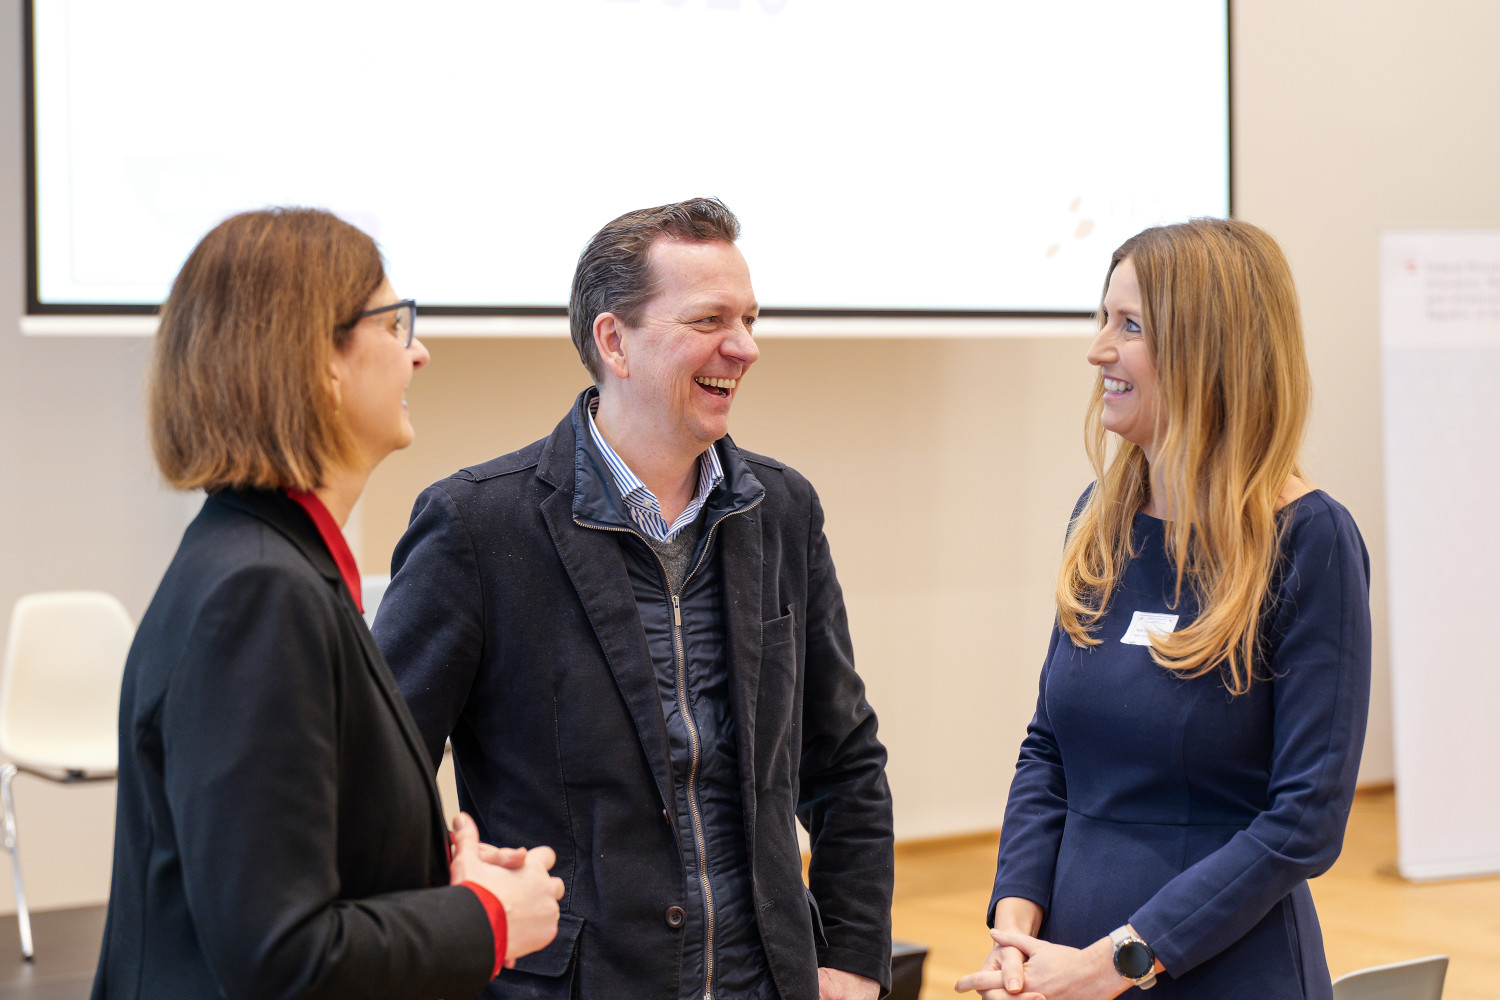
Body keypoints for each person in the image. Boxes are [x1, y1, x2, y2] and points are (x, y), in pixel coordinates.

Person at [372, 197, 894, 1000]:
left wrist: (853, 958)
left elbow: (845, 758)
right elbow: (381, 777)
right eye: (710, 319)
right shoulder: (477, 525)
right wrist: (460, 913)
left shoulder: (783, 508)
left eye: (749, 319)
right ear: (614, 340)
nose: (745, 346)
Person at [91, 208, 565, 1000]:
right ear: (321, 363)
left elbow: (293, 863)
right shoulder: (259, 593)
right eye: (394, 323)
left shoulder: (263, 563)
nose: (419, 352)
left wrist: (437, 879)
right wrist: (485, 919)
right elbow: (282, 955)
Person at [956, 219, 1371, 1000]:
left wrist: (1115, 963)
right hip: (1063, 969)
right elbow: (1049, 750)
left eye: (1131, 326)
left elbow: (1305, 821)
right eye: (1103, 319)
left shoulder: (1309, 539)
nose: (1098, 350)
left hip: (1221, 973)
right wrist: (1015, 930)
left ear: (1209, 350)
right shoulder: (1099, 519)